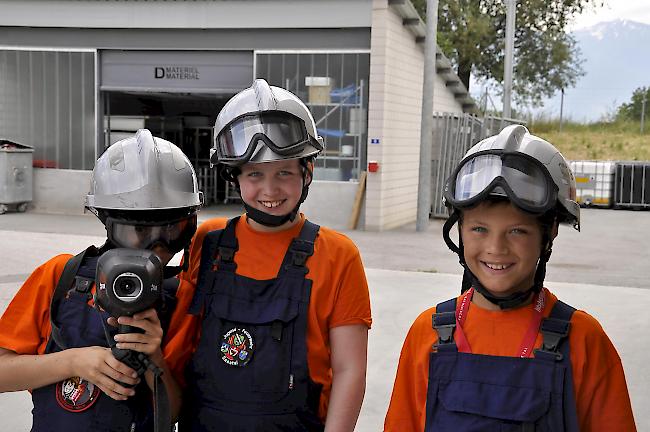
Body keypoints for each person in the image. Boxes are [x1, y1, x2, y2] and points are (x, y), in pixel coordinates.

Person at [384, 125, 637, 431]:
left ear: (549, 233)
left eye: (517, 231)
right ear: (460, 230)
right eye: (479, 229)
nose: (496, 248)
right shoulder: (427, 334)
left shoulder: (584, 341)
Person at [169, 79, 372, 431]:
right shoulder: (208, 240)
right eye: (255, 174)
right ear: (235, 177)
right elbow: (181, 346)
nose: (270, 189)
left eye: (284, 171)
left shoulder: (338, 255)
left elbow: (349, 371)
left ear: (307, 171)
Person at [0, 129, 203, 431]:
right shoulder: (61, 278)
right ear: (108, 223)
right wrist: (73, 362)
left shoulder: (179, 298)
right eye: (137, 232)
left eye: (171, 232)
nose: (155, 249)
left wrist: (154, 357)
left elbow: (171, 414)